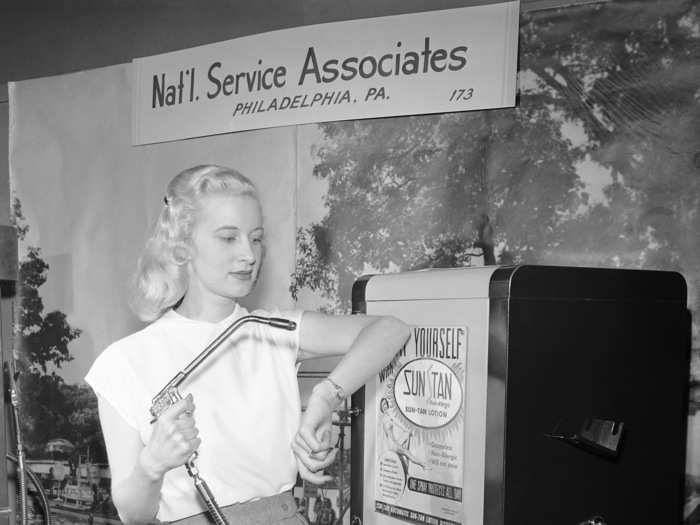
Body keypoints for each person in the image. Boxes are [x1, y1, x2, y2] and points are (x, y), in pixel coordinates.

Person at [85, 165, 409, 524]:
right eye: (228, 238)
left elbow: (390, 330)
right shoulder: (125, 362)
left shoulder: (272, 331)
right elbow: (133, 514)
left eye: (255, 238)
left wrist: (325, 396)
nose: (249, 255)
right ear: (181, 248)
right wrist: (152, 465)